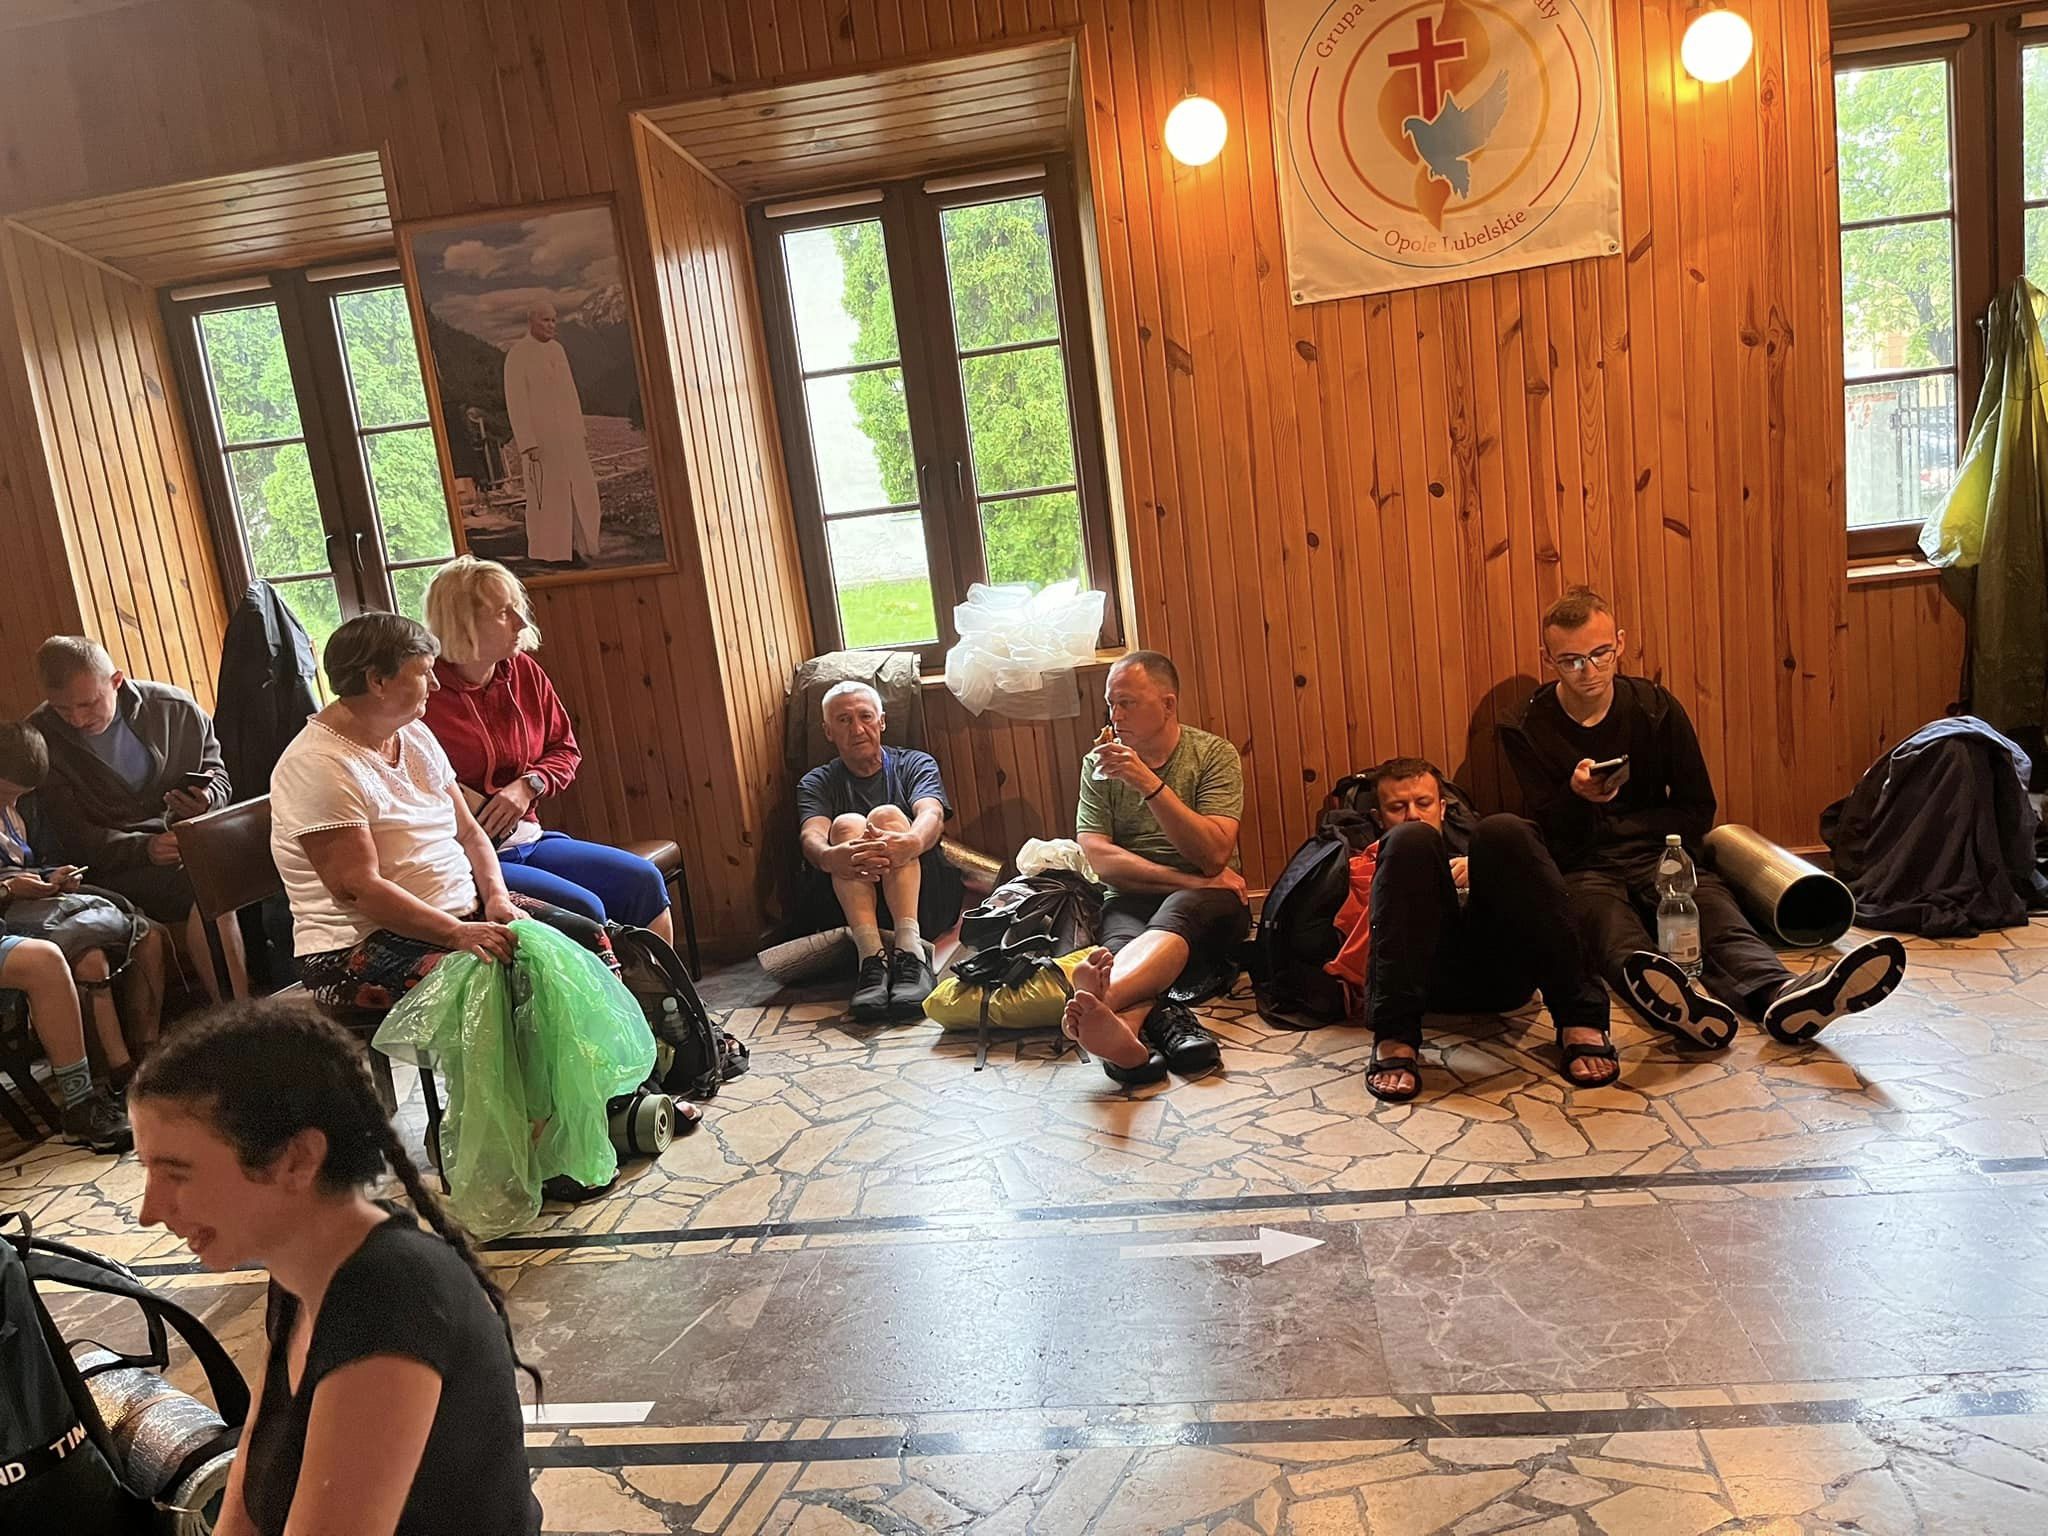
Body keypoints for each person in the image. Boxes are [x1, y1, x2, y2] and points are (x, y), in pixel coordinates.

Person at [130, 1001, 543, 1534]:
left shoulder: (390, 1295)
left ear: (298, 1159)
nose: (149, 1211)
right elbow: (252, 1476)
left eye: (177, 1173)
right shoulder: (300, 1268)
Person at [1500, 587, 1906, 1046]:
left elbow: (1697, 807)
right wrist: (1576, 796)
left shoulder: (1654, 707)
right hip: (1583, 865)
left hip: (1662, 851)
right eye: (1571, 661)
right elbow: (1545, 828)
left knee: (1714, 913)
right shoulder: (1524, 724)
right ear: (1548, 659)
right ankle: (1678, 1007)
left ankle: (1780, 994)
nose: (1589, 671)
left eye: (1600, 655)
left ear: (1620, 643)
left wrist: (1633, 831)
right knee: (1613, 934)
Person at [269, 613, 595, 1010]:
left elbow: (470, 833)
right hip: (358, 944)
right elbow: (358, 888)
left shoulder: (413, 733)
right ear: (377, 681)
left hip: (460, 912)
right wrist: (457, 933)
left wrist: (497, 898)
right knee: (512, 980)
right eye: (424, 672)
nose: (436, 683)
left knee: (586, 938)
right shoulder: (316, 764)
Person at [1327, 757, 1618, 1102]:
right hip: (1426, 986)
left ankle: (1580, 1017)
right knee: (1409, 839)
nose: (1413, 814)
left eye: (1423, 803)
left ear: (1443, 807)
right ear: (1378, 817)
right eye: (1397, 807)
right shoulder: (1369, 857)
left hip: (1504, 979)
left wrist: (1481, 869)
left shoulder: (1478, 842)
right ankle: (1395, 1036)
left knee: (1506, 829)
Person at [421, 556, 674, 943]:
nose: (521, 622)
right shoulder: (425, 691)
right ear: (461, 621)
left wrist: (530, 784)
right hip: (466, 859)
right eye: (504, 613)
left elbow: (564, 748)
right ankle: (612, 982)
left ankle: (655, 985)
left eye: (517, 608)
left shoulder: (523, 671)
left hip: (529, 838)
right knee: (585, 909)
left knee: (643, 881)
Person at [1060, 652, 1249, 1085]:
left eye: (1127, 703)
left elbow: (1213, 856)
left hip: (1210, 903)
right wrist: (1188, 879)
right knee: (1120, 945)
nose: (1115, 716)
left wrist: (1147, 782)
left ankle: (1100, 1001)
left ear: (1167, 705)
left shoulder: (1212, 754)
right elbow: (1099, 858)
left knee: (1177, 910)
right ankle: (1125, 1043)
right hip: (1139, 895)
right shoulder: (1098, 764)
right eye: (1111, 704)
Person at [30, 636, 249, 1001]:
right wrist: (144, 848)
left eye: (88, 704)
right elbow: (73, 836)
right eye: (62, 709)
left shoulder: (174, 708)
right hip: (109, 867)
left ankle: (240, 1011)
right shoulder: (42, 737)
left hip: (186, 848)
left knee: (215, 876)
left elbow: (218, 775)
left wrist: (208, 799)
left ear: (116, 681)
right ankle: (237, 1012)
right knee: (205, 883)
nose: (77, 719)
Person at [1, 719, 166, 1097]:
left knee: (151, 936)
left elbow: (44, 856)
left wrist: (55, 875)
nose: (12, 803)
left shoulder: (26, 805)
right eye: (6, 793)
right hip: (10, 917)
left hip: (42, 903)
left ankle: (148, 1051)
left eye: (21, 795)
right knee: (91, 960)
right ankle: (120, 1072)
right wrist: (9, 889)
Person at [795, 682, 958, 1022]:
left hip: (922, 903)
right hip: (849, 911)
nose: (857, 729)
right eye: (843, 720)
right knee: (845, 825)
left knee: (887, 816)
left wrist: (910, 843)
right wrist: (830, 856)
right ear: (828, 731)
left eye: (865, 717)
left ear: (881, 721)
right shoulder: (816, 782)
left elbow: (931, 814)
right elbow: (812, 834)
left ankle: (911, 953)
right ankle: (871, 959)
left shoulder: (915, 763)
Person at [504, 301, 601, 566]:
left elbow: (570, 392)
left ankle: (585, 545)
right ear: (532, 322)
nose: (551, 325)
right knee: (548, 496)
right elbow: (516, 402)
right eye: (545, 320)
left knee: (582, 490)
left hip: (569, 437)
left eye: (554, 320)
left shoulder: (558, 350)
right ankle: (552, 551)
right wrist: (528, 442)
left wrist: (579, 430)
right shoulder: (517, 355)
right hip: (542, 441)